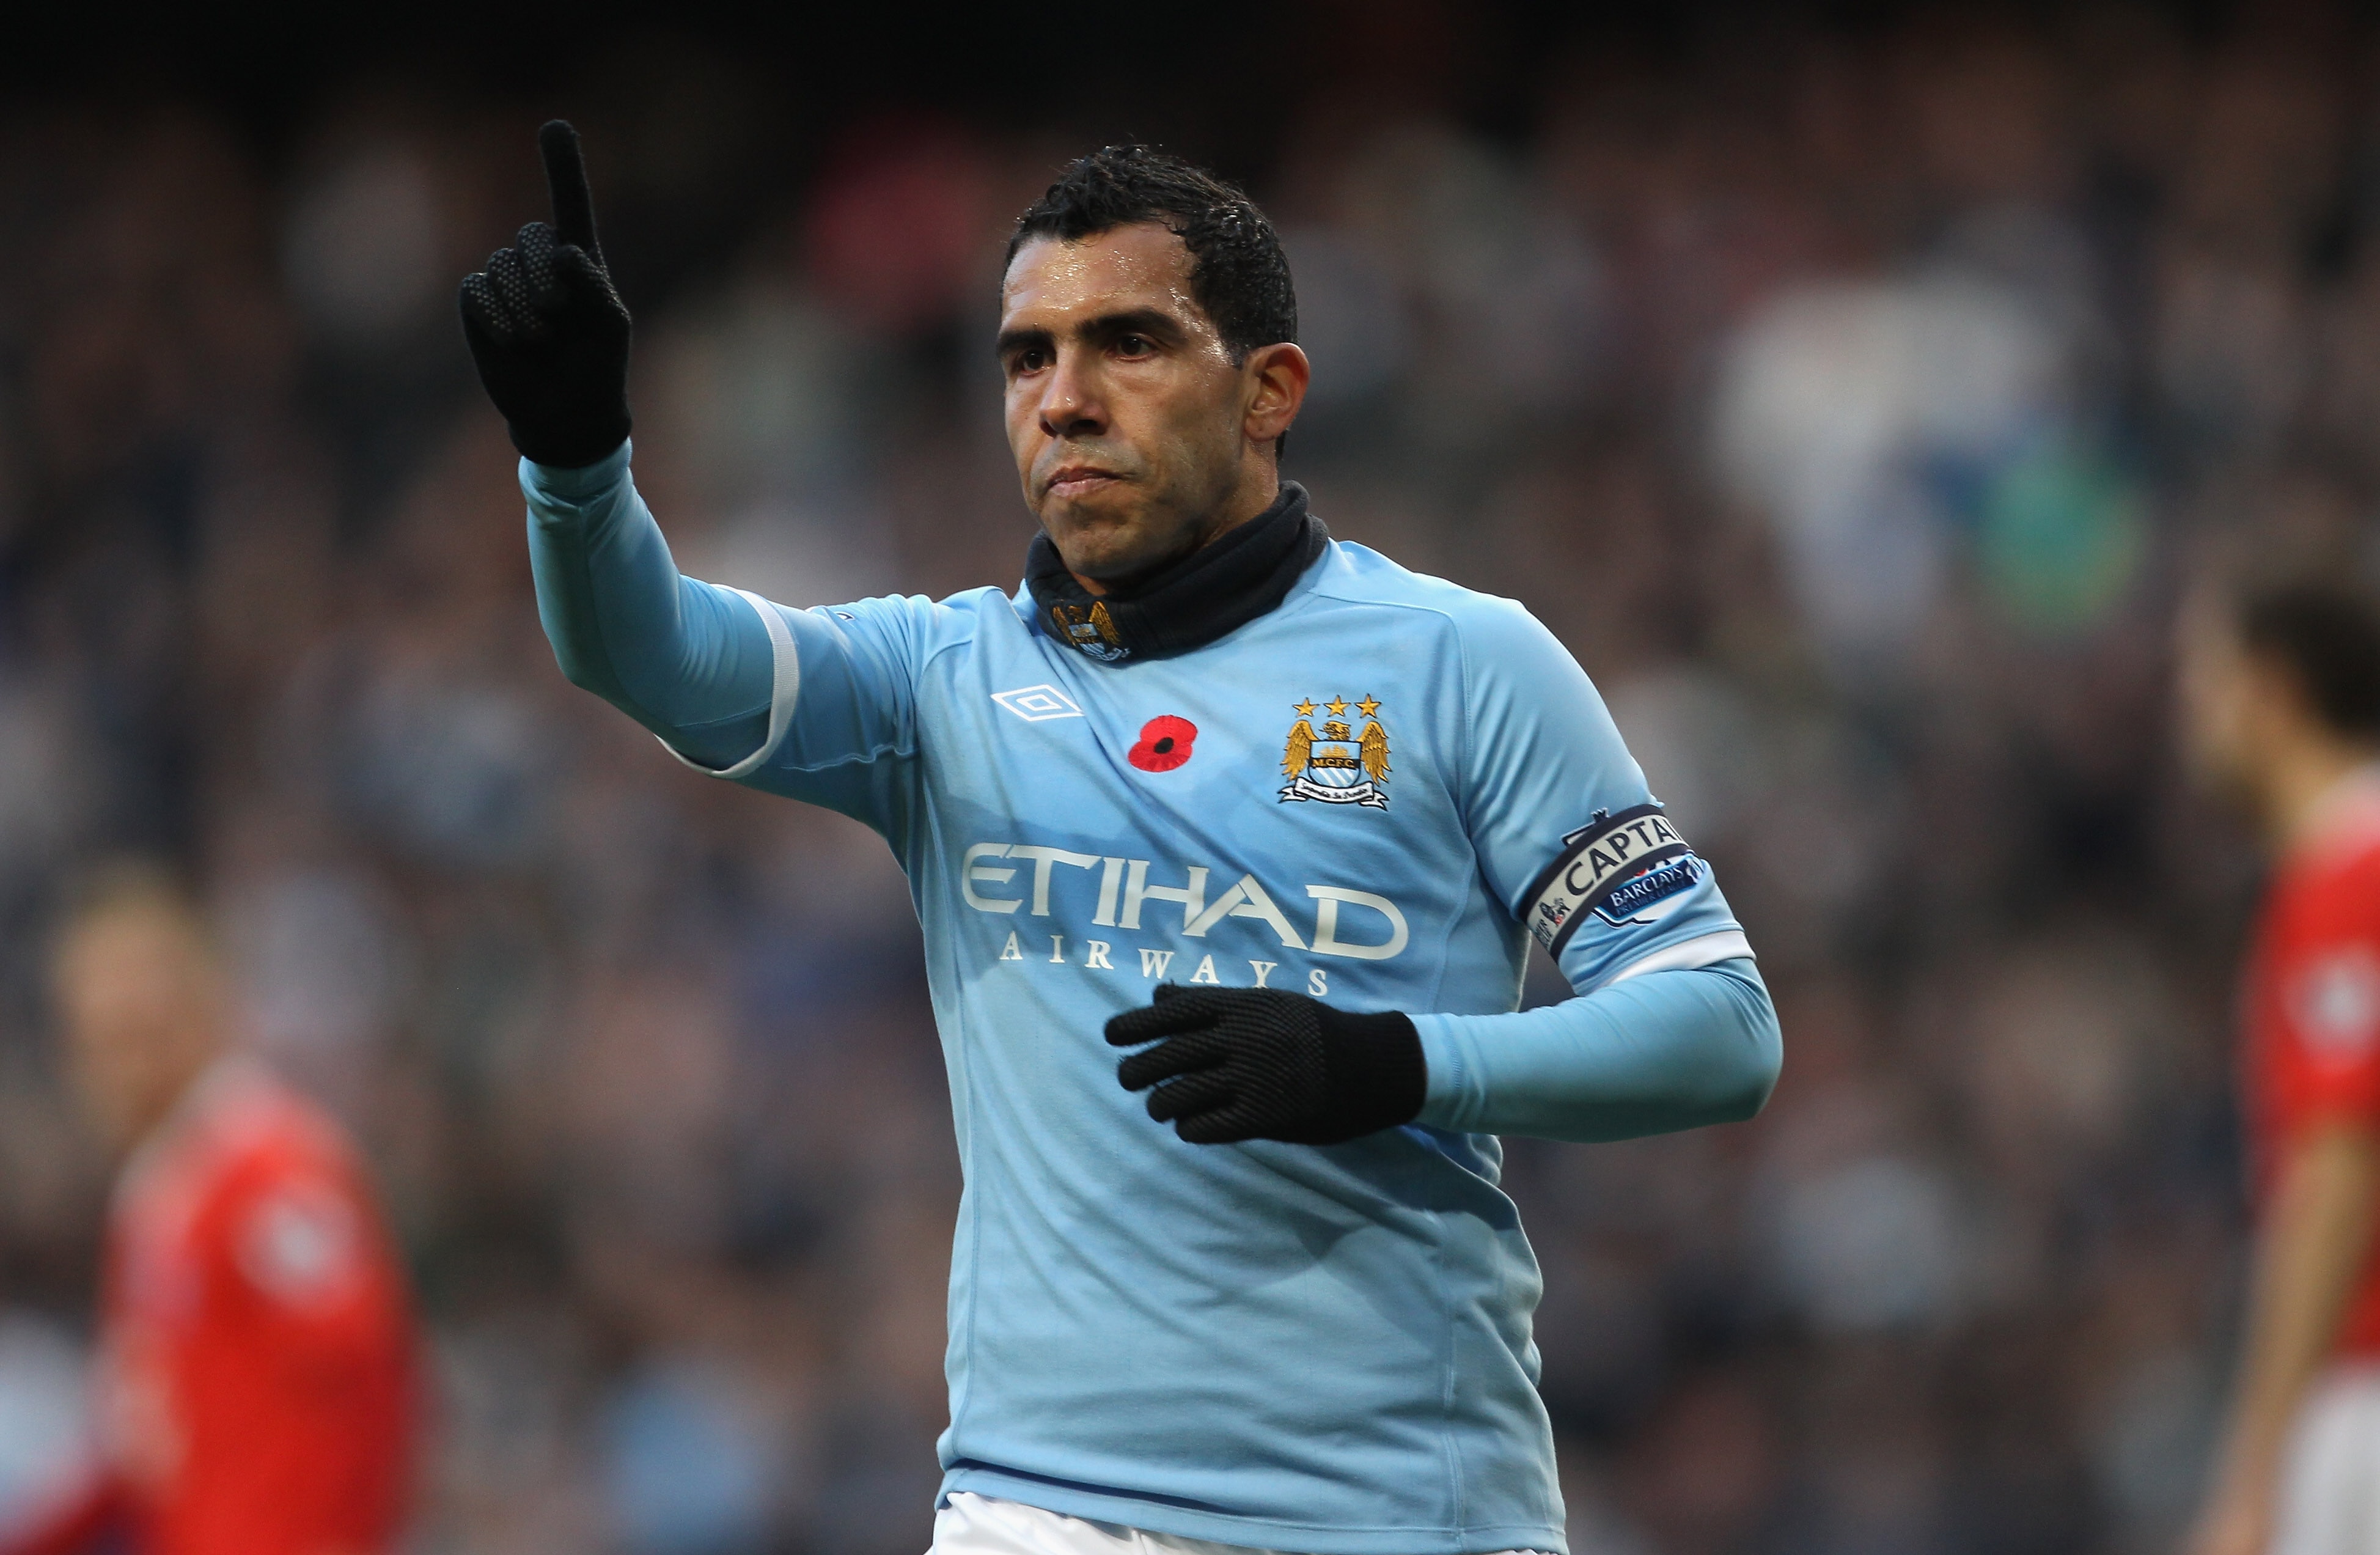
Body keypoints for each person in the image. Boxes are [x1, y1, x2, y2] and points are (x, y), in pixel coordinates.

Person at [458, 123, 1782, 1554]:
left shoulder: (1464, 663)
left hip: (1404, 1514)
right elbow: (642, 654)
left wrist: (1388, 1061)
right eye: (1028, 356)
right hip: (1040, 1513)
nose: (1065, 399)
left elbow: (1719, 1027)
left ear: (1269, 389)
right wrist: (577, 466)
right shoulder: (934, 680)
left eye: (1128, 344)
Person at [0, 866, 418, 1555]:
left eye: (140, 1029)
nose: (118, 1066)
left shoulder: (270, 1171)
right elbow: (141, 1448)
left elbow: (358, 1370)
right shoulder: (163, 1192)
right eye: (98, 1039)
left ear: (204, 1005)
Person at [2180, 581, 2380, 1555]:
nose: (2191, 711)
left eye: (2207, 678)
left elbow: (2339, 1174)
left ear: (2274, 691)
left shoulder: (2350, 873)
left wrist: (2253, 1469)